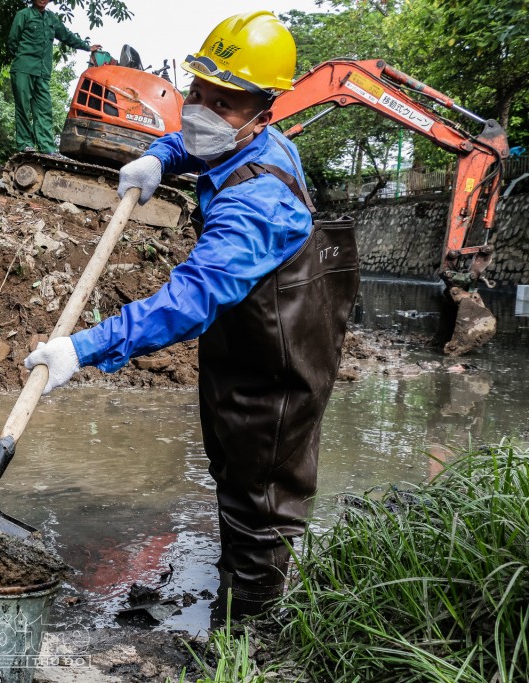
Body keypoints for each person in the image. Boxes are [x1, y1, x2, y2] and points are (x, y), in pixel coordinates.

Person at [24, 12, 359, 621]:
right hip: (244, 347)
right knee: (233, 478)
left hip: (278, 368)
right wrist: (159, 158)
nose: (201, 110)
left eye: (222, 103)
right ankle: (236, 600)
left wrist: (84, 348)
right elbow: (193, 140)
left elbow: (189, 300)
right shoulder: (236, 139)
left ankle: (247, 636)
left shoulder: (260, 201)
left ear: (265, 109)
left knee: (263, 503)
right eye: (197, 92)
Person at [8, 0, 101, 153]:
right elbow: (12, 41)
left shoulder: (51, 19)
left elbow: (67, 36)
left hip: (43, 72)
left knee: (44, 109)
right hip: (23, 68)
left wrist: (86, 47)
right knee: (23, 108)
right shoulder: (23, 15)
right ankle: (25, 144)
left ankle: (46, 148)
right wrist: (22, 58)